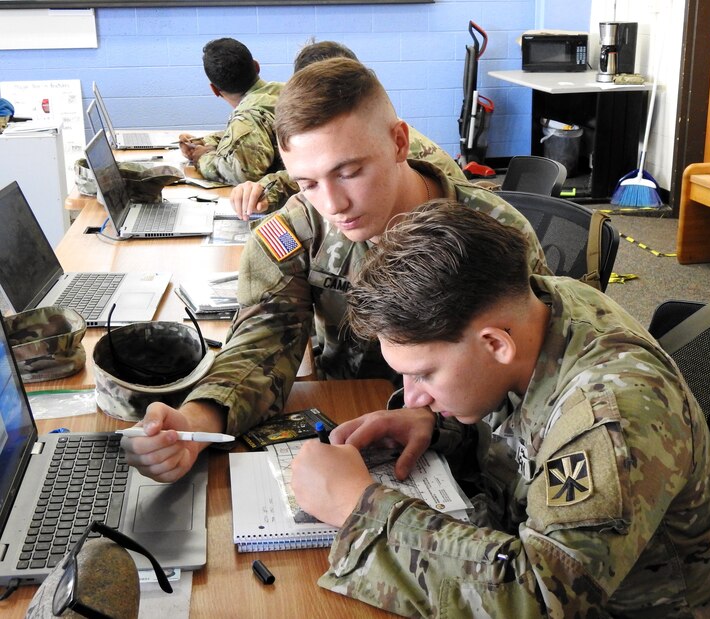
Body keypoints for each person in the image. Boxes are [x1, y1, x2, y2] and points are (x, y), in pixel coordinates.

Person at [290, 201, 710, 616]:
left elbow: (540, 600)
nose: (412, 395)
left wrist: (359, 508)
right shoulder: (535, 306)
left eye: (425, 374)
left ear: (494, 344)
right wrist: (434, 425)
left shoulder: (612, 413)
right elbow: (518, 434)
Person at [121, 58, 549, 484]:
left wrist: (437, 424)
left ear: (399, 142)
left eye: (348, 173)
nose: (332, 204)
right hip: (348, 418)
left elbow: (531, 377)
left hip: (467, 443)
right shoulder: (299, 228)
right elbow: (265, 337)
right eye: (307, 183)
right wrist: (197, 421)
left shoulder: (495, 233)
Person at [229, 41, 464, 219]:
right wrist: (263, 189)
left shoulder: (385, 148)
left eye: (350, 173)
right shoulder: (374, 130)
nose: (333, 205)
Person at [179, 37, 282, 185]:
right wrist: (203, 142)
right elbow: (255, 135)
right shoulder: (284, 90)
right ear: (256, 66)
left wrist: (202, 157)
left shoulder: (248, 117)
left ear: (214, 90)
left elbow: (239, 173)